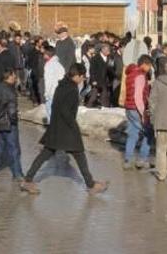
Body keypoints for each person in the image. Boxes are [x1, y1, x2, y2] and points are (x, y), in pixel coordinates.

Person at [20, 63, 108, 195]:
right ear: (77, 76)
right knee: (79, 154)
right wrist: (74, 127)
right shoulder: (71, 89)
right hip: (66, 128)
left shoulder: (62, 86)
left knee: (45, 154)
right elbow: (66, 111)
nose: (83, 79)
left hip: (56, 127)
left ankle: (27, 180)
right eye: (82, 77)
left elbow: (57, 106)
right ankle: (91, 185)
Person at [0, 69, 23, 181]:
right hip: (9, 124)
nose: (16, 78)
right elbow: (12, 112)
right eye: (14, 76)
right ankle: (18, 174)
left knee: (0, 148)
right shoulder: (10, 91)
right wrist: (15, 120)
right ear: (10, 77)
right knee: (15, 149)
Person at [123, 55, 154, 170]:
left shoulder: (130, 74)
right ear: (144, 64)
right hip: (136, 108)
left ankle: (127, 159)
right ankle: (142, 158)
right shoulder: (140, 76)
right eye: (149, 66)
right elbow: (138, 96)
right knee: (148, 133)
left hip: (129, 108)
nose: (150, 68)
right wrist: (142, 114)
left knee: (132, 134)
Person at [43, 46, 64, 124]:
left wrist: (47, 93)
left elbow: (48, 81)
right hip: (59, 91)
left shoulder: (49, 65)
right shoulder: (59, 64)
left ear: (47, 54)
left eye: (44, 53)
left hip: (52, 92)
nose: (43, 55)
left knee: (51, 113)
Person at [88, 44, 113, 108]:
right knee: (94, 95)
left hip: (105, 80)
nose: (108, 52)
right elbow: (92, 70)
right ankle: (88, 107)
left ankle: (105, 107)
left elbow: (110, 69)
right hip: (97, 80)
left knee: (104, 96)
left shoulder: (109, 58)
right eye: (107, 50)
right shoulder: (95, 58)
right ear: (102, 50)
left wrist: (111, 79)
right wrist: (93, 80)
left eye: (109, 50)